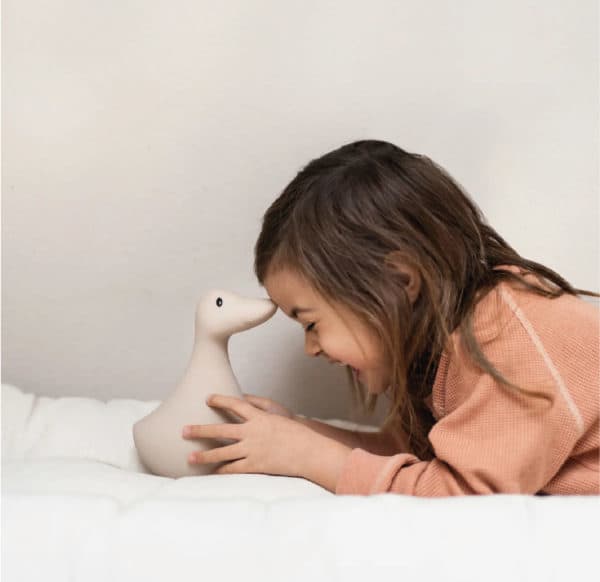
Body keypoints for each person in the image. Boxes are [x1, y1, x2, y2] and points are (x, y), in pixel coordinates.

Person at [182, 139, 599, 496]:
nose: (310, 349)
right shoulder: (440, 351)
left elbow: (466, 495)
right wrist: (298, 434)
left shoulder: (507, 336)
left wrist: (309, 456)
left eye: (310, 323)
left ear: (400, 281)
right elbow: (414, 455)